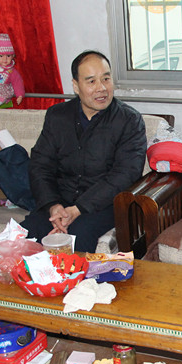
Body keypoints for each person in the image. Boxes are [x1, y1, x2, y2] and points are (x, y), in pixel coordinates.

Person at [21, 50, 147, 252]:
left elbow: (125, 175)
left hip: (103, 206)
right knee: (24, 238)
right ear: (76, 86)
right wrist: (53, 205)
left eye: (106, 79)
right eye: (91, 81)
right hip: (60, 202)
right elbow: (40, 165)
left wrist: (79, 208)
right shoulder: (57, 116)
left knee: (78, 239)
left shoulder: (129, 121)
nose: (101, 88)